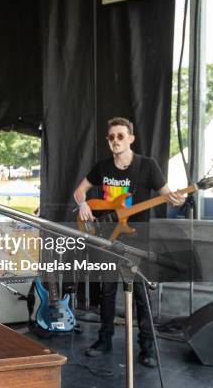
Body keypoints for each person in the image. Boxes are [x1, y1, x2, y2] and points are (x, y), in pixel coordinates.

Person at [74, 117, 185, 367]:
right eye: (111, 137)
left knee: (139, 293)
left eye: (120, 136)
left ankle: (147, 348)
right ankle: (104, 340)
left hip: (137, 239)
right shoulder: (102, 167)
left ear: (131, 139)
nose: (115, 141)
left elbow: (167, 195)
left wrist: (176, 199)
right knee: (108, 291)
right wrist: (82, 203)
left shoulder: (147, 166)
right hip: (106, 236)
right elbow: (80, 191)